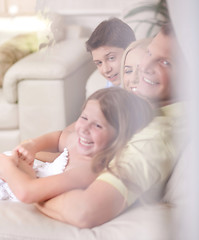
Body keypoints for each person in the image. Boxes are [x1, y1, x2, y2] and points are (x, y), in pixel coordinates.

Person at [33, 22, 187, 228]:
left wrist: (30, 190)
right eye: (149, 53)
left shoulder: (158, 134)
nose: (145, 67)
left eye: (166, 63)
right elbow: (69, 135)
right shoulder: (143, 103)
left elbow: (85, 211)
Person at [0, 87, 153, 203]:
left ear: (120, 136)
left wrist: (6, 166)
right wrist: (33, 145)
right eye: (84, 118)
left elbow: (28, 192)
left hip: (15, 181)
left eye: (98, 126)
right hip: (16, 172)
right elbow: (58, 137)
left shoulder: (88, 170)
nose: (84, 129)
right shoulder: (76, 142)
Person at [85, 18, 136, 87]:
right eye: (99, 63)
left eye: (111, 58)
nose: (106, 70)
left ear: (130, 51)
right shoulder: (111, 85)